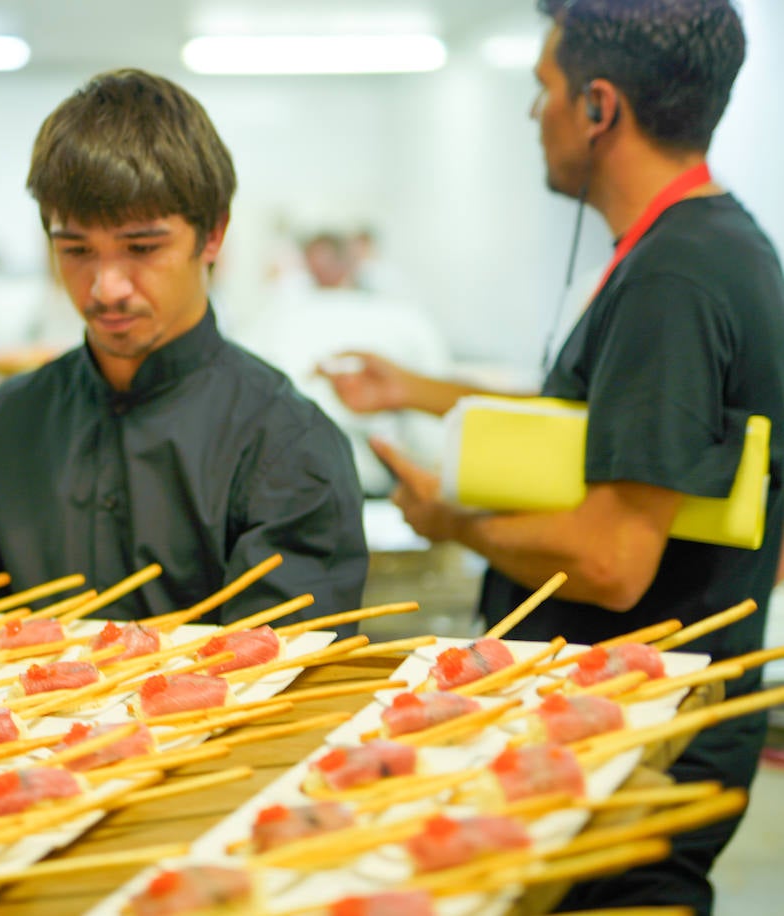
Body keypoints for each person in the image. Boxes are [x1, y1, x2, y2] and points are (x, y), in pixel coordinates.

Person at [325, 3, 784, 912]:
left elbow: (612, 562)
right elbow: (606, 427)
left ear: (598, 106)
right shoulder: (694, 244)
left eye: (542, 89)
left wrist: (449, 521)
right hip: (620, 726)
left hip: (638, 743)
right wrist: (415, 389)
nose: (533, 114)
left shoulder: (675, 280)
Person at [0, 69, 368, 625]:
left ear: (212, 235)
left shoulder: (285, 446)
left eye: (141, 247)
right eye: (77, 250)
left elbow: (283, 677)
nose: (107, 287)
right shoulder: (10, 423)